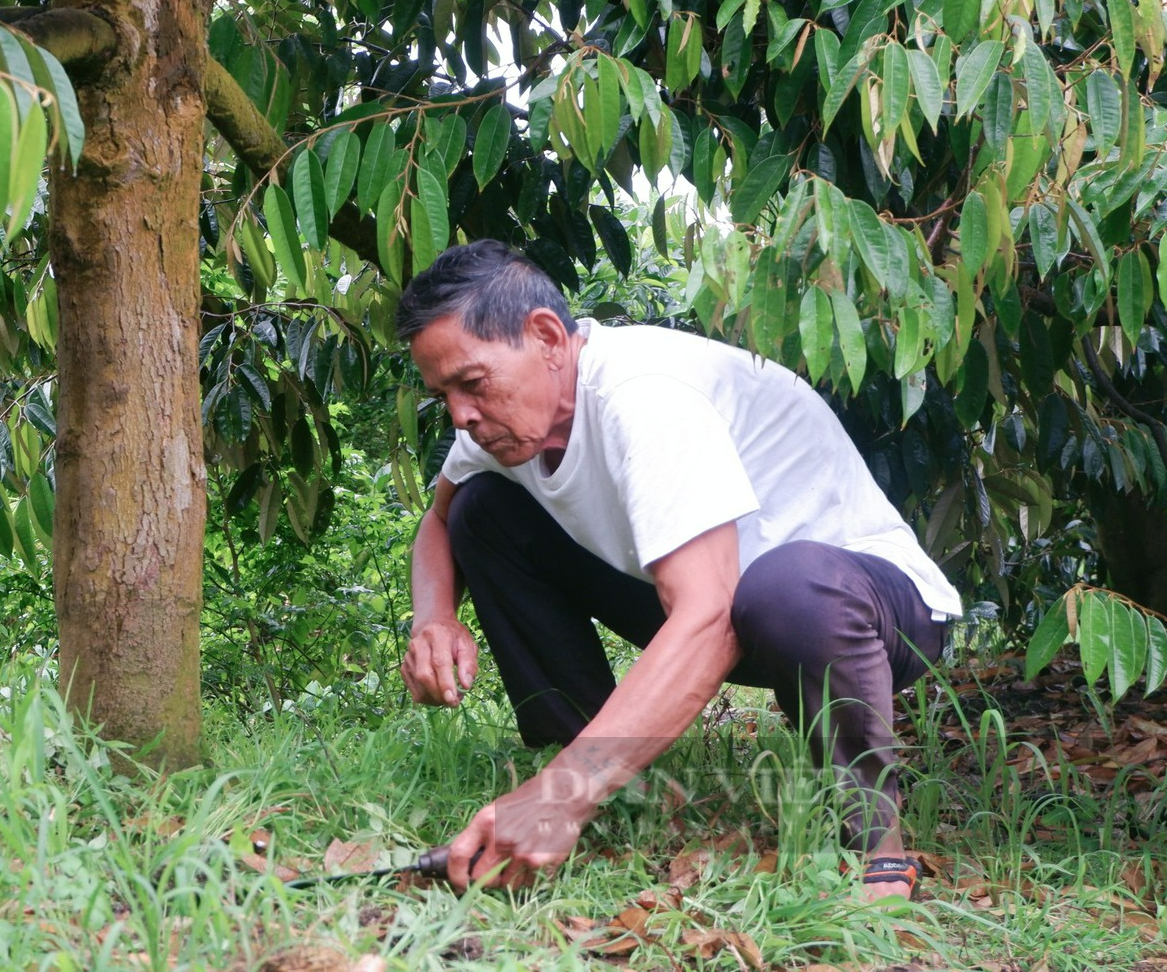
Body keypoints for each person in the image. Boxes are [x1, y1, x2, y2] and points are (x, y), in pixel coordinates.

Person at [396, 241, 960, 901]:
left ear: (546, 336)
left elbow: (710, 616)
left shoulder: (642, 394)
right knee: (481, 512)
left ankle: (878, 847)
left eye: (471, 383)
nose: (459, 414)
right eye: (443, 395)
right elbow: (437, 521)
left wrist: (563, 795)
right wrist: (434, 617)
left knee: (786, 587)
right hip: (736, 607)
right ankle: (599, 782)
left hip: (864, 610)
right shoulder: (502, 424)